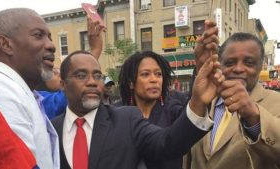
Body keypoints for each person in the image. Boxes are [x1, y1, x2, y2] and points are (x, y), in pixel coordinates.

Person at [51, 49, 224, 169]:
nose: (92, 82)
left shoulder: (126, 119)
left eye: (97, 76)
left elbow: (168, 143)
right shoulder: (49, 129)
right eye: (81, 75)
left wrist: (197, 102)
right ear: (62, 84)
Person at [116, 20, 219, 169]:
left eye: (158, 74)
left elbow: (190, 115)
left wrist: (200, 65)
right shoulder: (117, 114)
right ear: (131, 82)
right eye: (145, 74)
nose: (154, 79)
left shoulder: (174, 108)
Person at [185, 32, 280, 169]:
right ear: (220, 65)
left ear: (261, 66)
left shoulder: (276, 102)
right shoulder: (204, 104)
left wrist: (254, 117)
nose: (238, 69)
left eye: (249, 63)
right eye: (230, 63)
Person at [0, 8, 59, 169]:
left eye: (50, 37)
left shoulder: (23, 91)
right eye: (38, 35)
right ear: (6, 44)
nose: (51, 45)